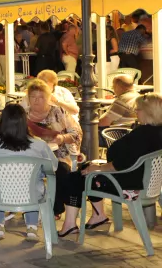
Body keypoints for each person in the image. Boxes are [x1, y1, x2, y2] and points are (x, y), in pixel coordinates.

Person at [58, 93, 162, 236]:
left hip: (128, 186)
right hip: (145, 183)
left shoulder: (143, 134)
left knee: (76, 177)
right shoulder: (156, 132)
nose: (136, 112)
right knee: (87, 167)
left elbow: (121, 164)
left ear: (148, 112)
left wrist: (99, 168)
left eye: (138, 109)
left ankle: (70, 224)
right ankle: (98, 216)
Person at [0, 104, 59, 241]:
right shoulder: (39, 144)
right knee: (33, 186)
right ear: (25, 123)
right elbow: (53, 166)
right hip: (31, 195)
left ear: (2, 122)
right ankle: (32, 227)